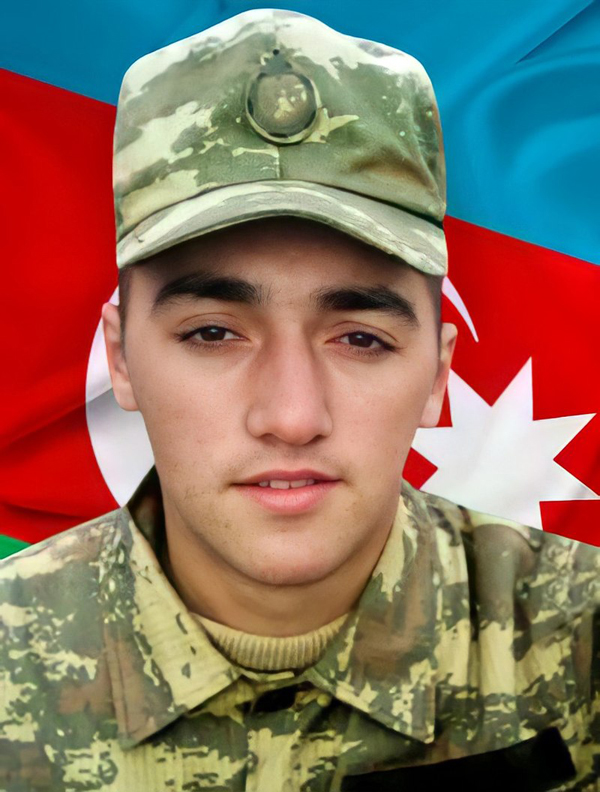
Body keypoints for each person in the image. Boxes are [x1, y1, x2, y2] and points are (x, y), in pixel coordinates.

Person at [0, 8, 598, 791]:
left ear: (437, 373)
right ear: (121, 359)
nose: (291, 417)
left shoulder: (583, 641)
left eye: (360, 339)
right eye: (213, 333)